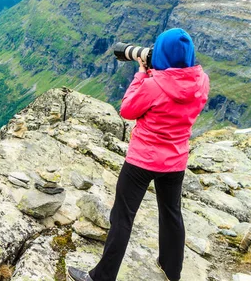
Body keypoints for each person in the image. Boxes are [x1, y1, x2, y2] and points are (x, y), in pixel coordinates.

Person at [68, 28, 210, 281]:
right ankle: (171, 271)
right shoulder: (202, 81)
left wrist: (142, 74)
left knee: (122, 217)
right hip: (175, 161)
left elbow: (127, 110)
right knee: (171, 215)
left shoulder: (153, 85)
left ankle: (101, 277)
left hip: (142, 160)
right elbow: (177, 87)